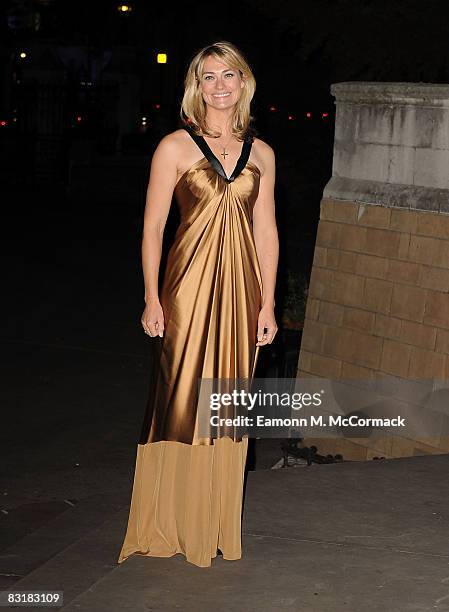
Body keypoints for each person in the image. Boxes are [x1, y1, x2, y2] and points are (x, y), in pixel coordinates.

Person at [117, 40, 279, 569]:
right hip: (185, 291)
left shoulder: (262, 153)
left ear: (244, 82)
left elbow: (267, 231)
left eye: (228, 75)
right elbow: (152, 228)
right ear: (196, 86)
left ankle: (212, 523)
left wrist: (268, 304)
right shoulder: (174, 147)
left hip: (242, 293)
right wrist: (151, 297)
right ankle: (170, 521)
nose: (220, 86)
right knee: (182, 400)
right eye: (208, 77)